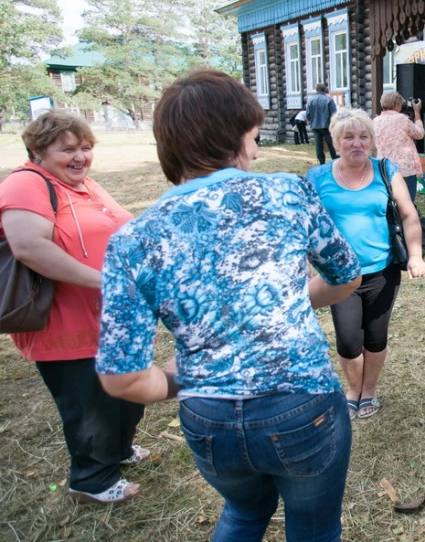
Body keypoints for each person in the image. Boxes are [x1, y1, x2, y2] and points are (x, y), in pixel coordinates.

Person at [94, 70, 363, 541]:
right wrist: (286, 307)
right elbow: (346, 276)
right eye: (254, 136)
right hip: (302, 404)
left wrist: (186, 376)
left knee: (242, 514)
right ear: (238, 135)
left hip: (208, 420)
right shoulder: (286, 192)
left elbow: (123, 378)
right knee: (315, 530)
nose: (256, 150)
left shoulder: (131, 240)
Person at [0, 111, 146, 505]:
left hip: (111, 316)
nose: (80, 157)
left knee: (125, 392)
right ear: (37, 151)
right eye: (67, 149)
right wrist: (107, 281)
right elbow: (30, 247)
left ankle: (118, 450)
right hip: (65, 322)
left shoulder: (83, 185)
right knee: (88, 403)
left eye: (86, 148)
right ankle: (92, 480)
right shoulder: (26, 184)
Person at [306, 109, 425, 420]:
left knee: (376, 336)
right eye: (348, 137)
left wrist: (415, 255)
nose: (356, 143)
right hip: (337, 276)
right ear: (335, 141)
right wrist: (307, 267)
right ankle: (352, 388)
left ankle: (369, 389)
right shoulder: (317, 178)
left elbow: (409, 215)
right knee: (348, 340)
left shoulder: (386, 170)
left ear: (372, 142)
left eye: (363, 137)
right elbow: (304, 227)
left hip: (382, 272)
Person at [374, 91, 424, 202]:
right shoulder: (402, 120)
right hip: (404, 168)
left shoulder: (375, 121)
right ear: (396, 105)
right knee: (407, 204)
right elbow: (419, 134)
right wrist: (417, 113)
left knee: (389, 205)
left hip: (384, 169)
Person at [306, 83, 339, 164]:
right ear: (324, 90)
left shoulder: (311, 100)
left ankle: (321, 163)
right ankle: (335, 161)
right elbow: (334, 114)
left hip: (315, 126)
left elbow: (308, 115)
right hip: (327, 126)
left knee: (318, 145)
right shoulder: (329, 100)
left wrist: (312, 121)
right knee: (331, 144)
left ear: (316, 90)